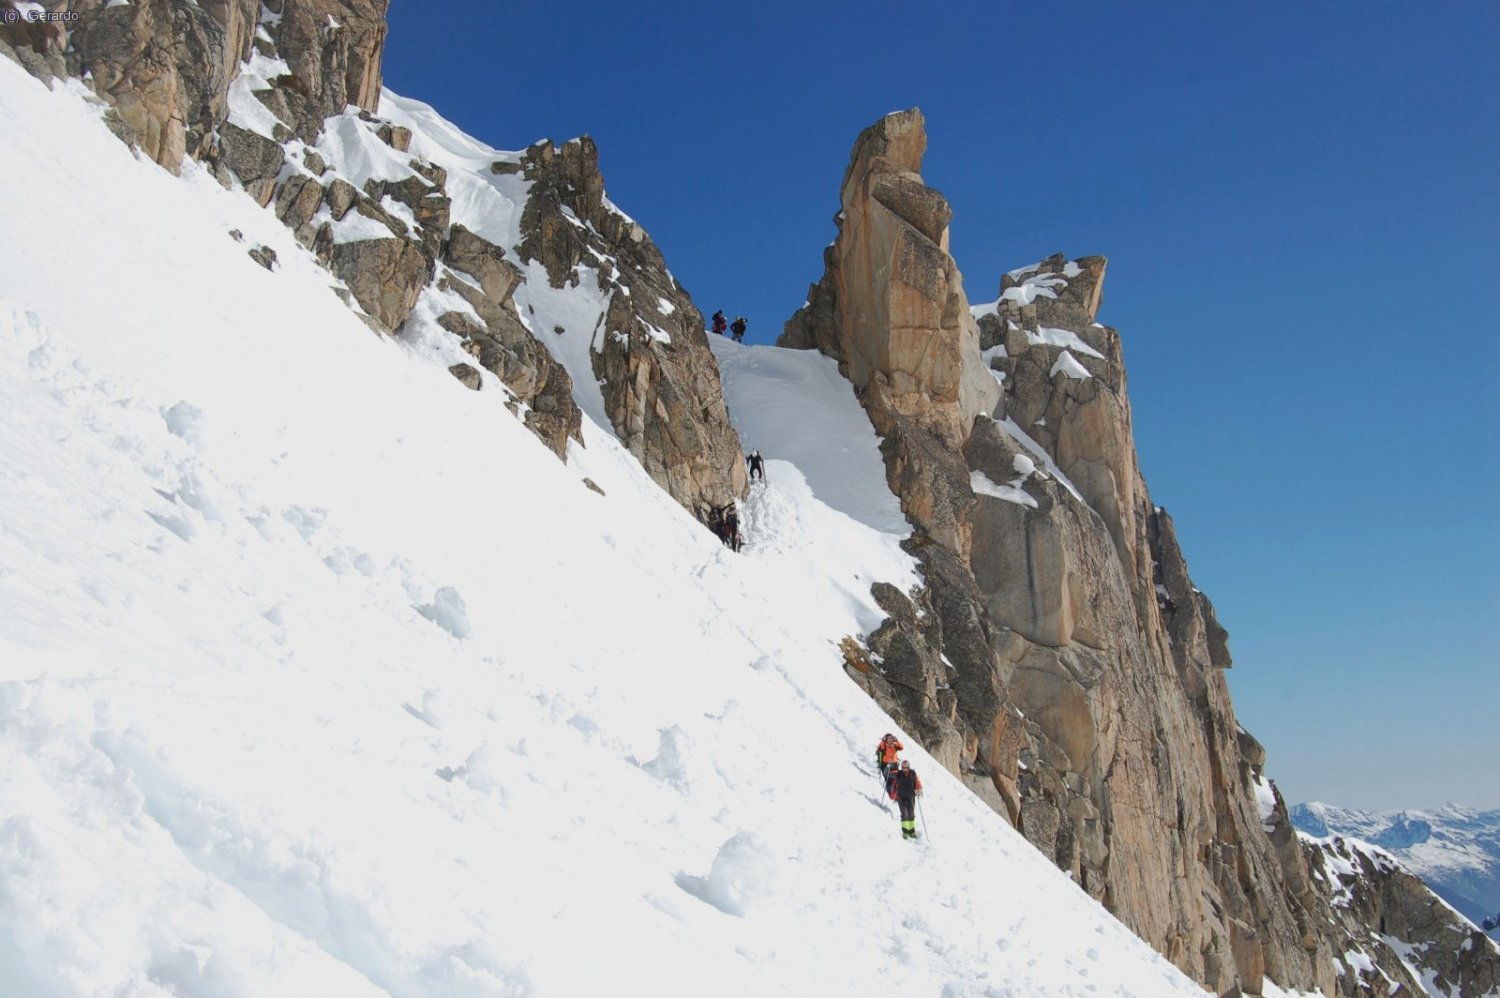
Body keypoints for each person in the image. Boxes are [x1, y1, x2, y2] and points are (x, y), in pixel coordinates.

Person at [893, 759, 923, 840]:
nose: (904, 769)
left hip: (911, 797)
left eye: (906, 768)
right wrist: (894, 794)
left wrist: (918, 789)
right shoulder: (899, 774)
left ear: (909, 767)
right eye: (903, 767)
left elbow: (918, 783)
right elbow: (894, 784)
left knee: (911, 814)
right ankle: (905, 832)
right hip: (901, 797)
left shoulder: (913, 774)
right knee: (904, 814)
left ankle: (912, 832)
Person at [875, 733, 903, 798]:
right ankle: (890, 794)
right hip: (885, 764)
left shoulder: (895, 746)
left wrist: (897, 740)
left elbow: (901, 747)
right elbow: (879, 748)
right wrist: (883, 740)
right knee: (888, 779)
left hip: (895, 764)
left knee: (896, 779)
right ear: (886, 740)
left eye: (891, 739)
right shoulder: (884, 746)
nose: (890, 740)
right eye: (888, 739)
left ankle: (896, 793)